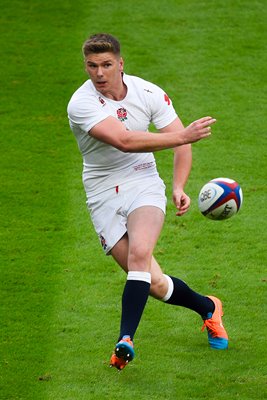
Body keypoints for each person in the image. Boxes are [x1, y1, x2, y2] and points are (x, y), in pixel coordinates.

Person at [67, 33, 228, 371]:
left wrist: (178, 185)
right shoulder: (80, 103)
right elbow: (124, 140)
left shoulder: (148, 93)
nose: (99, 73)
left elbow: (182, 143)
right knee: (153, 283)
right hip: (100, 190)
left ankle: (125, 340)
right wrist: (181, 136)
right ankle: (208, 307)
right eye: (92, 66)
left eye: (106, 65)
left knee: (140, 255)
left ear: (120, 64)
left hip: (143, 181)